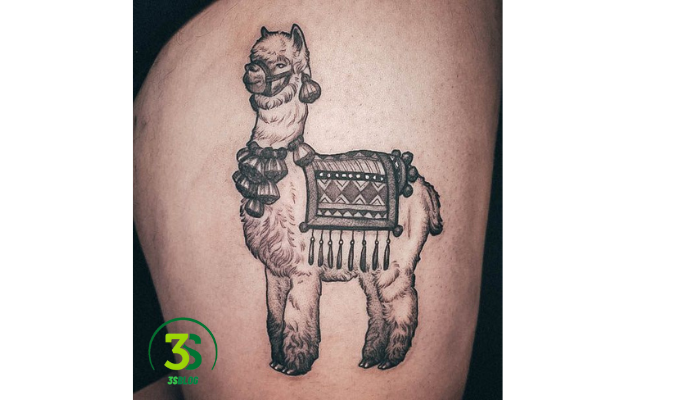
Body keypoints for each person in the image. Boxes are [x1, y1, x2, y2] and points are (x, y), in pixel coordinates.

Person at [134, 1, 500, 398]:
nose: (259, 71)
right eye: (259, 63)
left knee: (386, 279)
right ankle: (290, 348)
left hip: (401, 200)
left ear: (298, 75)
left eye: (278, 66)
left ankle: (369, 344)